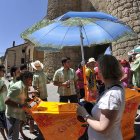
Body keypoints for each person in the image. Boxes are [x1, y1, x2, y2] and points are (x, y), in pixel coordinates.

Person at [77, 55, 125, 140]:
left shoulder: (112, 95)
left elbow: (103, 128)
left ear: (102, 71)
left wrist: (84, 114)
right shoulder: (114, 88)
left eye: (98, 68)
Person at [5, 71, 33, 140]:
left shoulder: (25, 86)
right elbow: (6, 101)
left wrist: (31, 100)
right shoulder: (17, 87)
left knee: (15, 136)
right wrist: (20, 105)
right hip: (12, 115)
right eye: (30, 79)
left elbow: (22, 99)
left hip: (17, 114)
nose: (31, 81)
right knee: (12, 137)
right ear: (25, 79)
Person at [0, 65, 8, 140]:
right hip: (1, 107)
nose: (4, 72)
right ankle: (5, 137)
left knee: (5, 125)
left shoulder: (2, 81)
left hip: (4, 106)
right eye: (3, 71)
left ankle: (7, 137)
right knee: (2, 125)